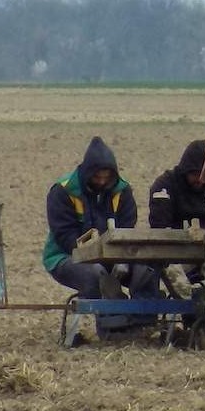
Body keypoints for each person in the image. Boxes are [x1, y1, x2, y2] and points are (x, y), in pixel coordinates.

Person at [43, 136, 161, 339]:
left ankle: (144, 323)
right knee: (96, 275)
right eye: (97, 178)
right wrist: (93, 251)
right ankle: (112, 327)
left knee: (145, 269)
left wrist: (122, 259)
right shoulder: (63, 191)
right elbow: (64, 235)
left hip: (116, 255)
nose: (102, 182)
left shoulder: (122, 192)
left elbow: (126, 228)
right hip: (66, 257)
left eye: (107, 178)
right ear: (87, 173)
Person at [148, 139, 205, 230]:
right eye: (196, 174)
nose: (201, 180)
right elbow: (160, 227)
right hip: (174, 241)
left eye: (204, 175)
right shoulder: (164, 186)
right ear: (186, 171)